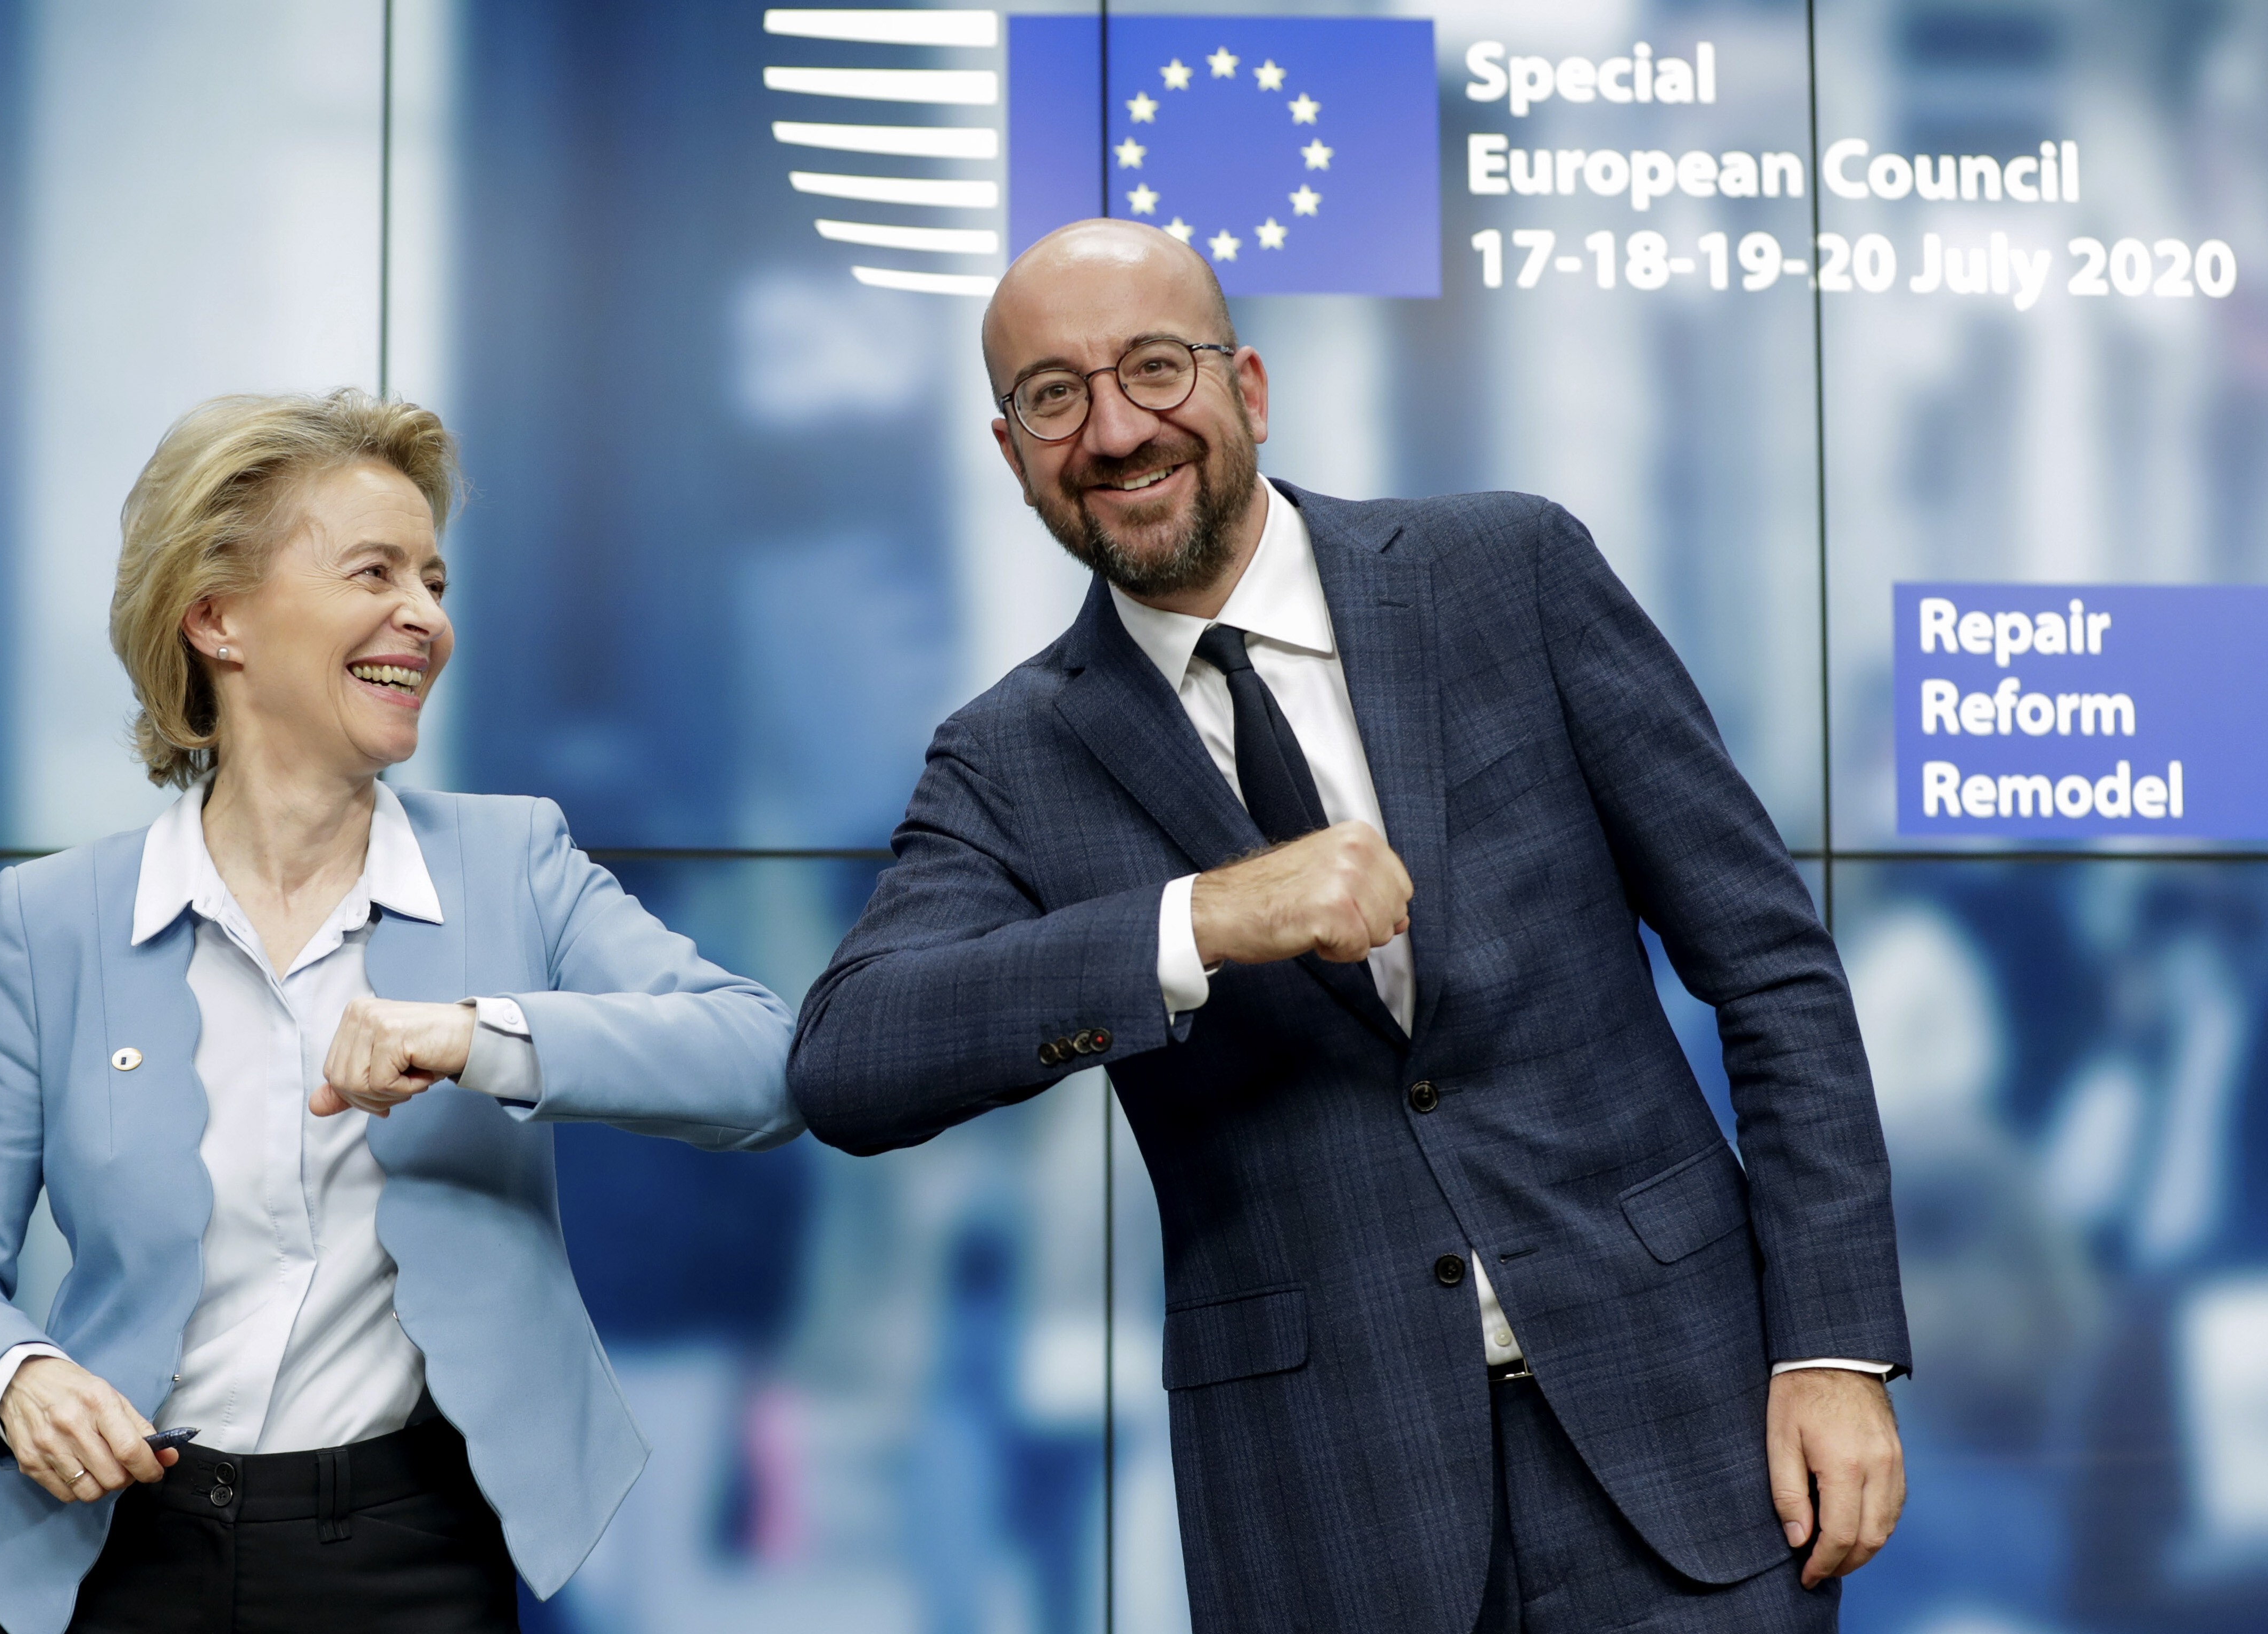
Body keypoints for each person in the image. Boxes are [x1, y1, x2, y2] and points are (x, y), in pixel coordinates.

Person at [788, 220, 1910, 1632]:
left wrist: (1830, 1345)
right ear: (1010, 454)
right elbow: (846, 1063)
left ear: (1247, 389)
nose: (1116, 430)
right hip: (1327, 1514)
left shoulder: (1509, 572)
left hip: (1685, 1442)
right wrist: (1198, 920)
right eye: (1053, 397)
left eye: (1153, 368)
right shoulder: (1008, 756)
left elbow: (1767, 965)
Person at [0, 390, 799, 1634]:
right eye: (375, 572)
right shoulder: (53, 922)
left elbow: (768, 1063)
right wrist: (12, 1375)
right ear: (218, 618)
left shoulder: (514, 864)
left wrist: (483, 1034)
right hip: (100, 1554)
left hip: (404, 1557)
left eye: (434, 578)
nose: (425, 617)